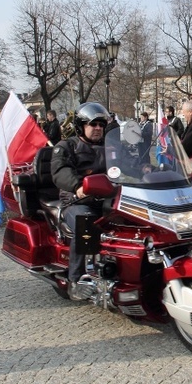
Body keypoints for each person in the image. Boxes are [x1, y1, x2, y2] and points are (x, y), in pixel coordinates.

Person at [50, 102, 109, 301]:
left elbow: (128, 167)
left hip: (108, 199)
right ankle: (76, 280)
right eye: (93, 124)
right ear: (81, 126)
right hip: (76, 202)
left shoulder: (111, 147)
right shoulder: (67, 147)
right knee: (87, 223)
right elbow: (60, 172)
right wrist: (78, 186)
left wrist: (145, 171)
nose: (98, 128)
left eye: (101, 124)